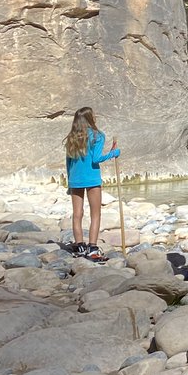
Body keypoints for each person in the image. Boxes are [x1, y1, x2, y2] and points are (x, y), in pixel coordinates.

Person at [63, 107, 119, 263]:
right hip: (92, 179)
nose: (95, 117)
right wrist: (113, 154)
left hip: (75, 179)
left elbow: (68, 162)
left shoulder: (71, 137)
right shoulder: (97, 135)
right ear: (89, 118)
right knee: (95, 214)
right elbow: (96, 159)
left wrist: (69, 182)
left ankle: (80, 247)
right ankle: (92, 248)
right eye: (93, 115)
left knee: (77, 214)